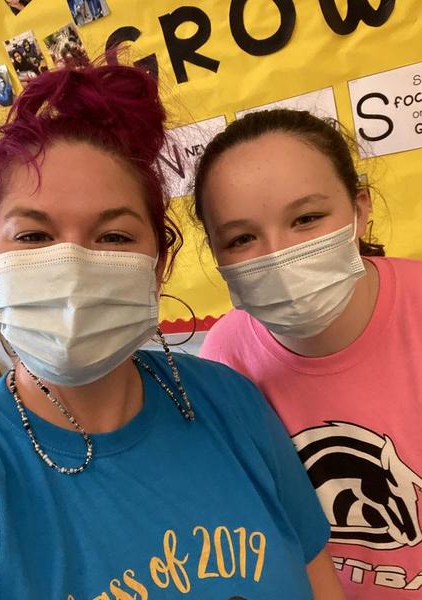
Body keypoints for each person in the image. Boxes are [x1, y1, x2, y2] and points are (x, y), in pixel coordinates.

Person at [0, 65, 344, 599]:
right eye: (34, 235)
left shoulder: (231, 401)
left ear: (159, 265)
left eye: (114, 236)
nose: (72, 265)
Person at [192, 108, 422, 599]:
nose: (278, 254)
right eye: (241, 239)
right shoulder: (225, 361)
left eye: (307, 219)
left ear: (359, 209)